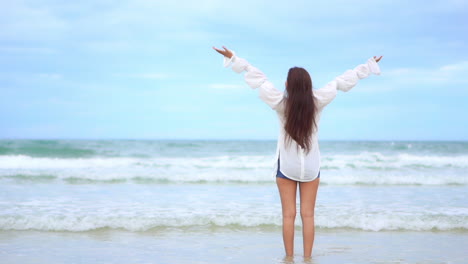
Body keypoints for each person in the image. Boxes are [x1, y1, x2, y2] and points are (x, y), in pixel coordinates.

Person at [213, 46, 382, 258]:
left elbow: (259, 78)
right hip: (311, 167)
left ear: (287, 85)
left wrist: (235, 59)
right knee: (308, 215)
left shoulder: (281, 103)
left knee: (288, 215)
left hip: (287, 166)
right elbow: (339, 82)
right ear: (309, 85)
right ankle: (308, 259)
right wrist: (368, 66)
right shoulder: (318, 101)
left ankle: (290, 259)